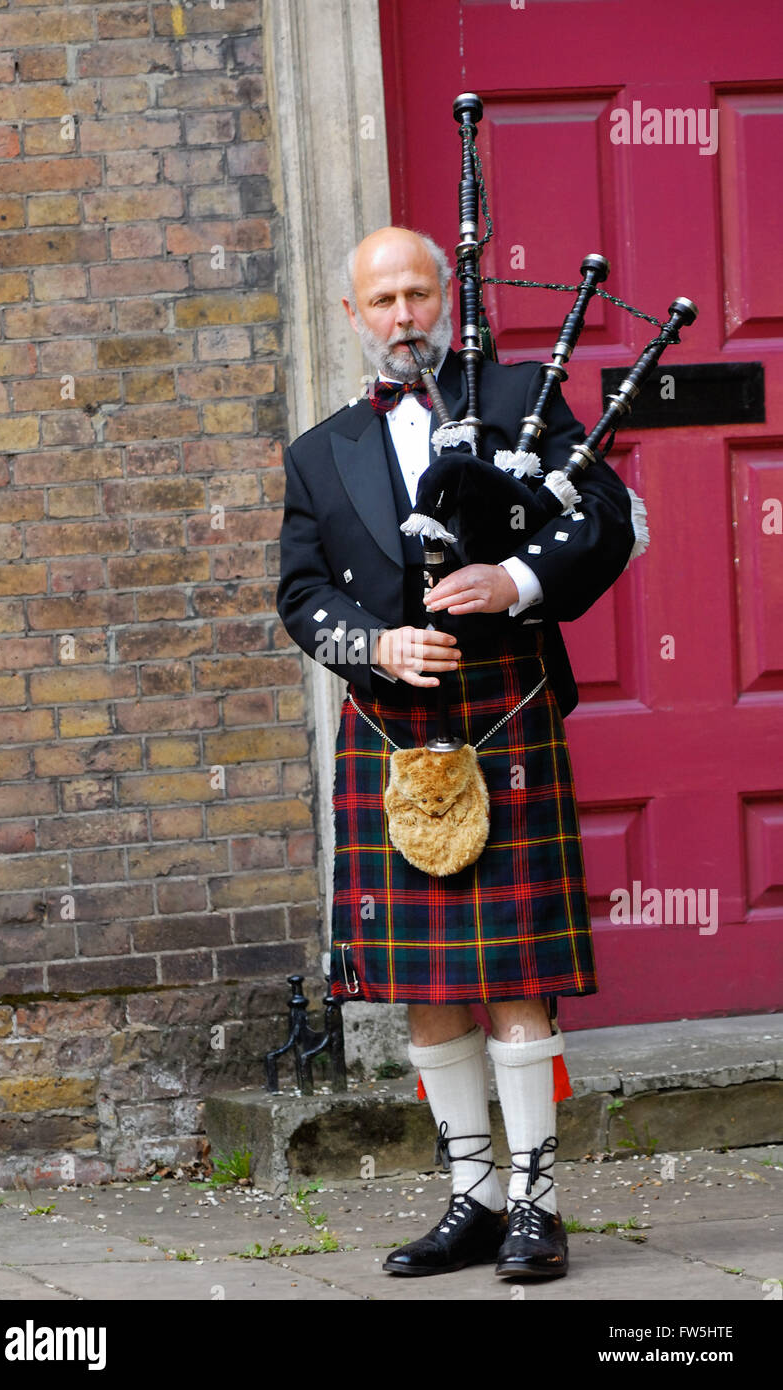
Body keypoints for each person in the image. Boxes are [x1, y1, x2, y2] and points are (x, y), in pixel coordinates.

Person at [276, 226, 635, 1281]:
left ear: (447, 298)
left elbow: (604, 518)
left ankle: (538, 1205)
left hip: (505, 704)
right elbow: (301, 595)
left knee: (516, 968)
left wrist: (515, 581)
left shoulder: (524, 395)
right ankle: (471, 1198)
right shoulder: (318, 451)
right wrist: (376, 642)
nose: (400, 316)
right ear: (353, 316)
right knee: (429, 984)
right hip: (392, 726)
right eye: (379, 300)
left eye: (415, 294)